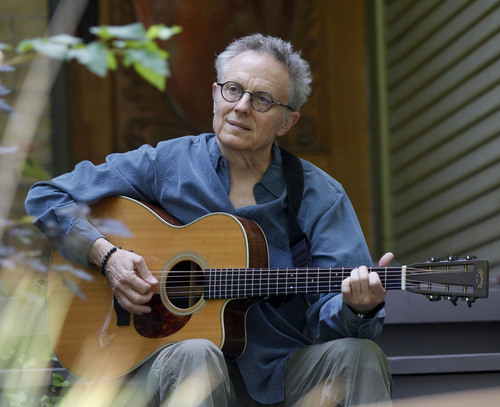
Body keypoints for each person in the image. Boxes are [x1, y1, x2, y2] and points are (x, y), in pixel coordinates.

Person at [25, 34, 393, 406]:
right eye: (233, 90)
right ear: (215, 94)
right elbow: (46, 197)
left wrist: (358, 308)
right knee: (196, 352)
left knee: (359, 355)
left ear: (287, 121)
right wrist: (107, 257)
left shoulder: (319, 195)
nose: (242, 107)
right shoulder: (168, 163)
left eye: (263, 99)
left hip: (280, 371)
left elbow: (336, 317)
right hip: (171, 367)